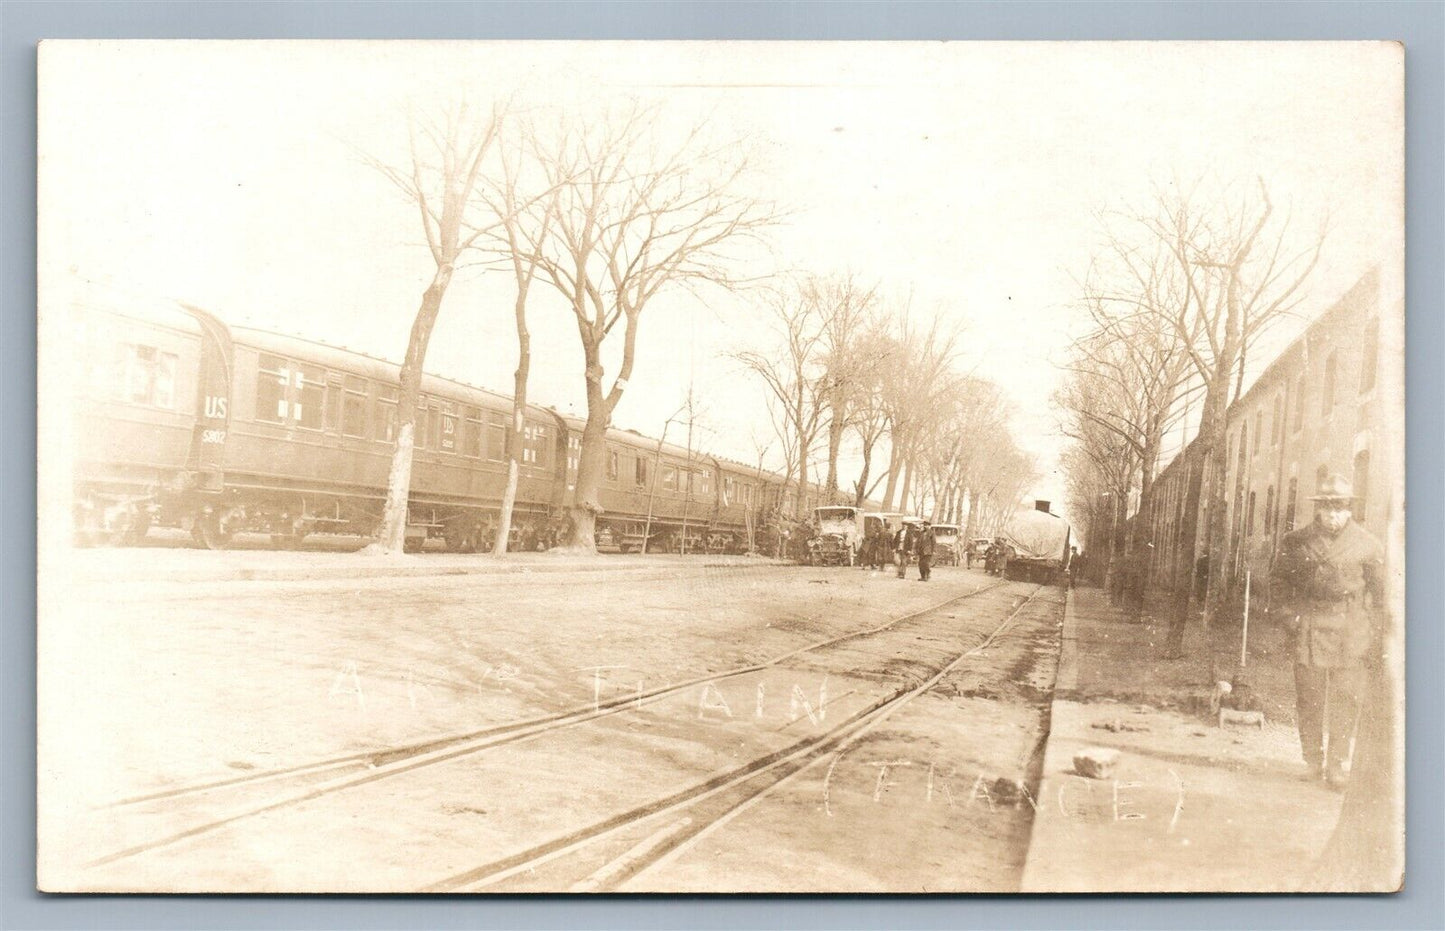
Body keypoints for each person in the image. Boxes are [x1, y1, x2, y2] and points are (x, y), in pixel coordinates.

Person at [1271, 473, 1386, 790]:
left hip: (1351, 629)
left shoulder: (1367, 544)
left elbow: (1381, 595)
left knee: (1346, 698)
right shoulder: (1296, 541)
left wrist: (1374, 634)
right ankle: (1312, 761)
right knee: (1309, 697)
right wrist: (1288, 618)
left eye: (1340, 507)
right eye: (1328, 507)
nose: (1334, 514)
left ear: (1350, 509)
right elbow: (1278, 584)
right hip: (1308, 624)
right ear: (1318, 509)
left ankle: (1337, 765)